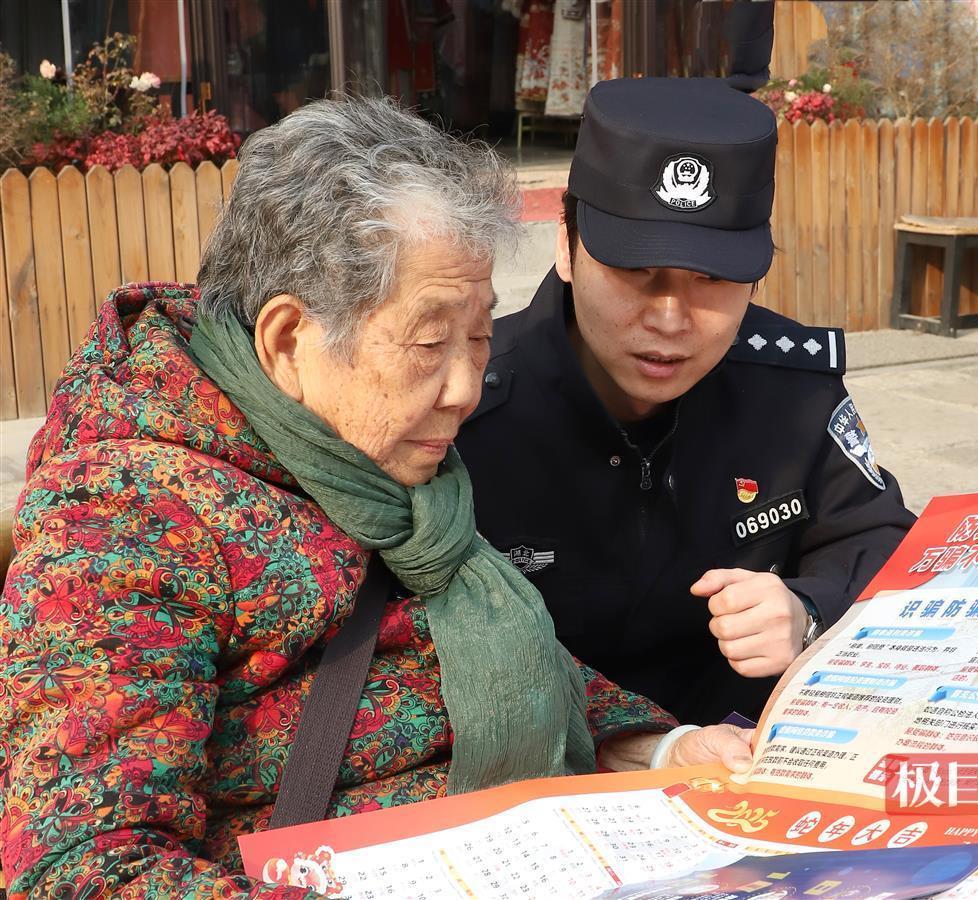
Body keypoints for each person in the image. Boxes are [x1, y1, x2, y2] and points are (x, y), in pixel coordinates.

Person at [0, 97, 752, 897]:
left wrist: (657, 750)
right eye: (429, 342)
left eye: (479, 336)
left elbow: (480, 657)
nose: (465, 388)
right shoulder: (126, 516)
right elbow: (81, 870)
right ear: (288, 340)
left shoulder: (383, 464)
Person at [455, 76, 916, 726]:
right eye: (636, 272)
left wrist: (811, 610)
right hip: (542, 762)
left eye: (711, 278)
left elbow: (880, 537)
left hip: (742, 762)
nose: (670, 319)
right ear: (566, 245)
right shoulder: (462, 406)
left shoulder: (789, 387)